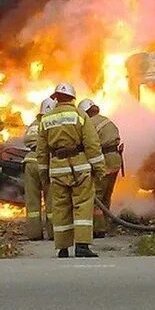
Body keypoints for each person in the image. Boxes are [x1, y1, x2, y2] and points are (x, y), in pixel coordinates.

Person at [37, 82, 105, 258]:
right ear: (73, 98)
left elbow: (42, 151)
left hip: (57, 170)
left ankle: (63, 248)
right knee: (82, 205)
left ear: (56, 98)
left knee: (60, 207)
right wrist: (98, 168)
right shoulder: (80, 115)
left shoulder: (46, 119)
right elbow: (92, 144)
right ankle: (82, 246)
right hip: (80, 168)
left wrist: (43, 173)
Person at [78, 98, 123, 238]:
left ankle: (98, 229)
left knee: (95, 195)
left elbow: (88, 144)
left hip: (104, 161)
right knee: (106, 195)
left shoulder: (89, 123)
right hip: (116, 160)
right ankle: (106, 224)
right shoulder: (106, 120)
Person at [22, 97, 57, 241]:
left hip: (30, 162)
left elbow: (27, 140)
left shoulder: (34, 124)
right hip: (46, 162)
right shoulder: (54, 123)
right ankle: (54, 233)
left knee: (32, 202)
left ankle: (34, 234)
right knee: (51, 199)